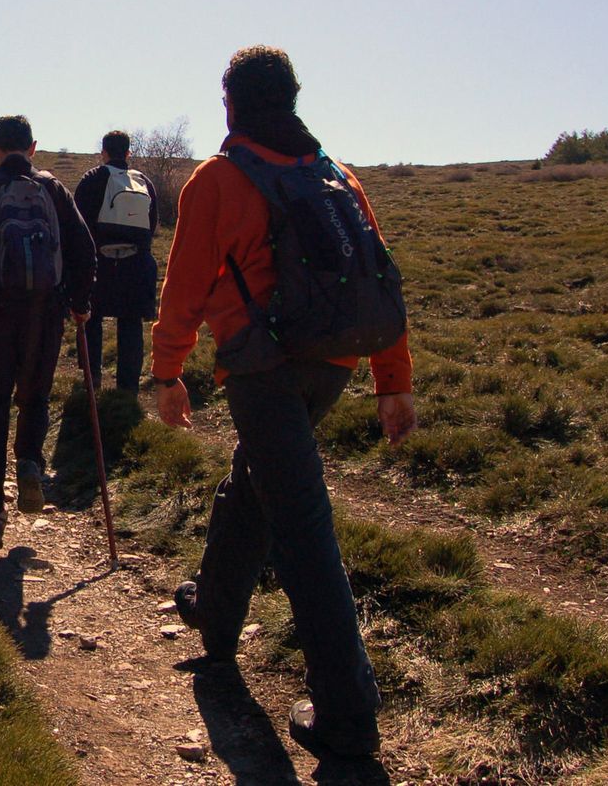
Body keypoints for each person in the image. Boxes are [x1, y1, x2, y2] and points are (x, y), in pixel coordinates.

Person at [150, 45, 417, 759]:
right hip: (333, 361)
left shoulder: (218, 179)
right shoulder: (338, 176)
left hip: (263, 368)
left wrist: (166, 372)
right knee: (258, 483)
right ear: (293, 99)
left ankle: (348, 715)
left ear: (230, 103)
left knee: (301, 523)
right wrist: (392, 380)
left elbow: (183, 289)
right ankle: (214, 607)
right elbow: (377, 279)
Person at [0, 116, 96, 545]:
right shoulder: (53, 190)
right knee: (35, 398)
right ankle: (29, 461)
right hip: (44, 317)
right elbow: (85, 252)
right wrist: (78, 303)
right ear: (32, 148)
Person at [71, 130, 159, 393]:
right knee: (130, 326)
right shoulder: (144, 182)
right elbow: (152, 226)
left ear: (104, 152)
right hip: (136, 264)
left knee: (91, 319)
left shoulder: (92, 179)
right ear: (128, 153)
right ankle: (128, 388)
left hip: (100, 264)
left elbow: (79, 225)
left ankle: (91, 379)